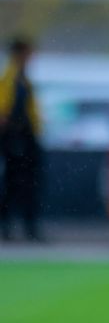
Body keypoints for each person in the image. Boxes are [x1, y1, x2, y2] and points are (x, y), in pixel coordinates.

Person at [0, 37, 44, 242]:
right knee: (16, 184)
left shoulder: (20, 78)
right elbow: (5, 112)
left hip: (24, 138)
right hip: (16, 138)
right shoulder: (11, 78)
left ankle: (23, 227)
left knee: (24, 184)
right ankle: (13, 228)